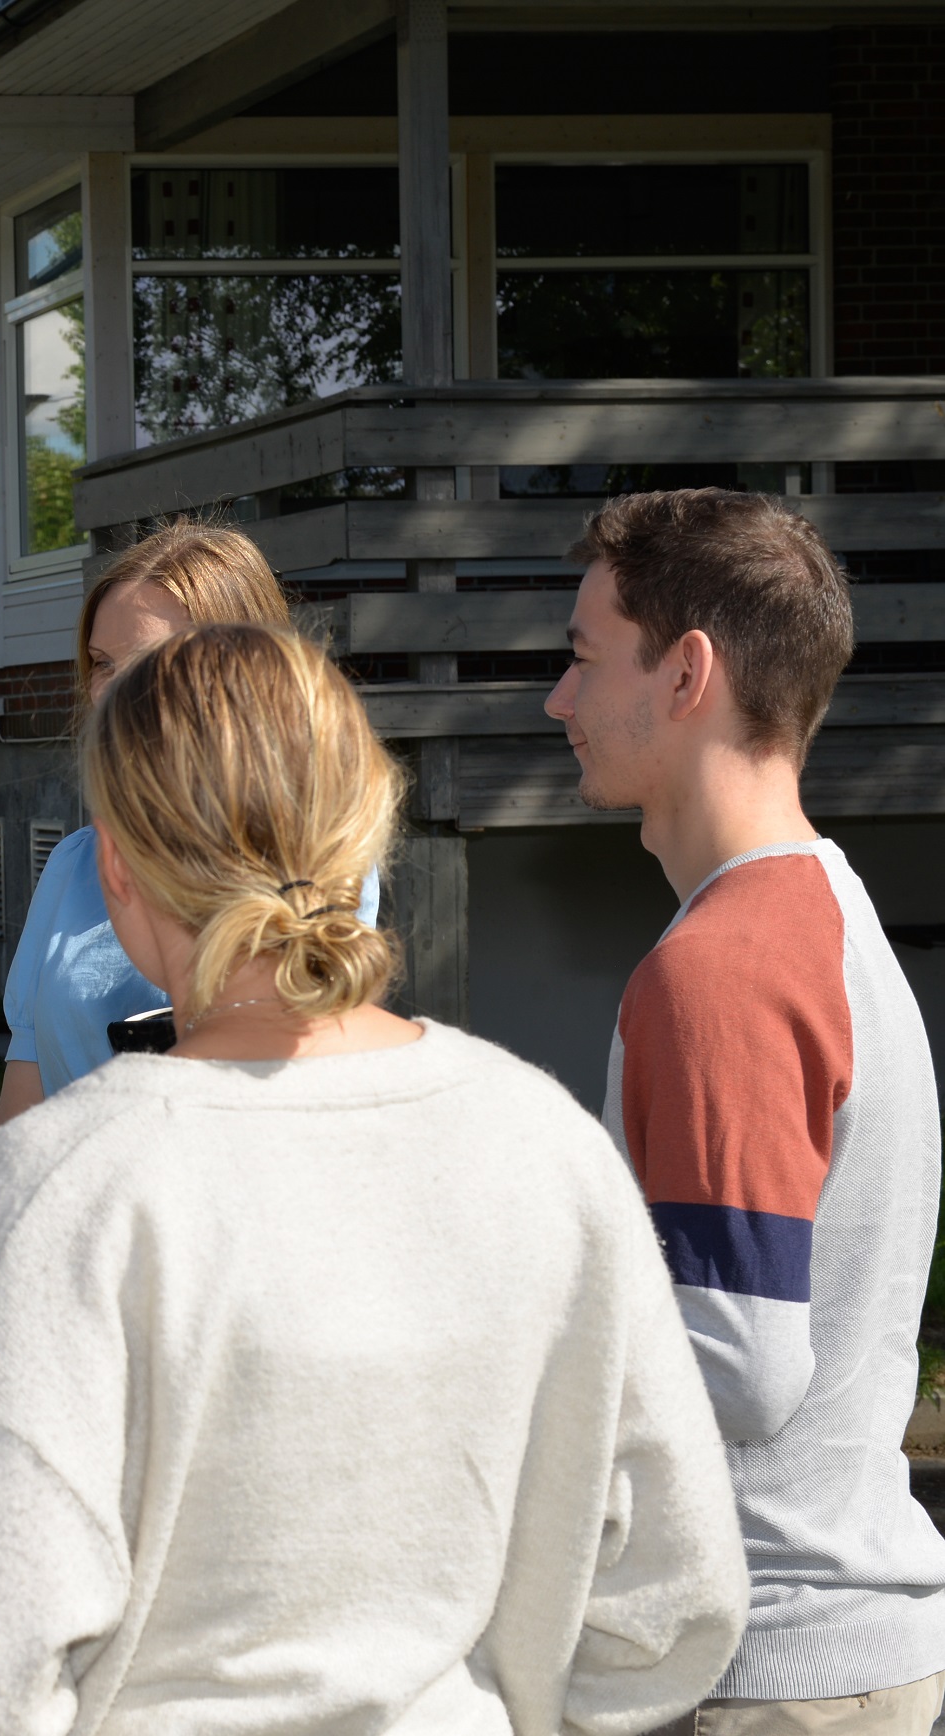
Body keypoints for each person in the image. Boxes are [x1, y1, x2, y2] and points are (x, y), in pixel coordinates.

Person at [0, 623, 748, 1735]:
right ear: (363, 841)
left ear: (115, 865)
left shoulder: (79, 1182)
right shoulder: (546, 1146)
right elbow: (674, 1590)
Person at [548, 489, 945, 1731]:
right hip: (827, 1652)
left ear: (687, 674)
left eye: (581, 656)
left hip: (763, 1675)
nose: (558, 701)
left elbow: (741, 1360)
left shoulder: (722, 966)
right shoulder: (822, 906)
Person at [0, 520, 377, 1132]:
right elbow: (22, 1096)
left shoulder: (320, 865)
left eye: (148, 666)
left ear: (245, 677)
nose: (110, 696)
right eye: (101, 664)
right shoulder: (72, 864)